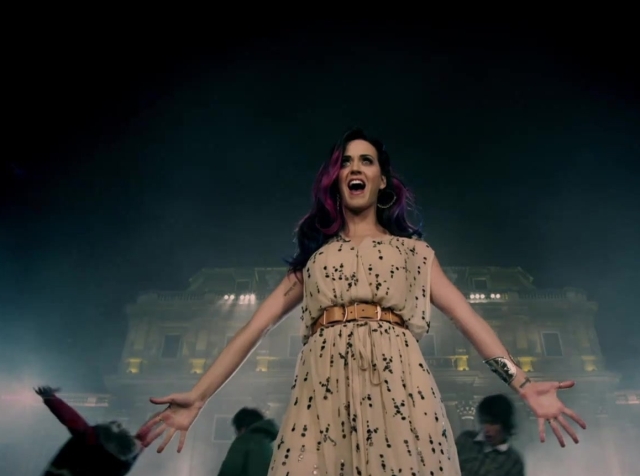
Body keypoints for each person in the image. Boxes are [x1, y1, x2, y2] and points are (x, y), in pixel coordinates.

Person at [142, 128, 586, 475]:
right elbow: (253, 329)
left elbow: (467, 318)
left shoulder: (414, 254)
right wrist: (199, 396)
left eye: (366, 160)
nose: (355, 167)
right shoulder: (313, 260)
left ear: (382, 180)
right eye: (346, 162)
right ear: (335, 180)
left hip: (400, 391)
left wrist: (522, 384)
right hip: (320, 395)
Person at [35, 386, 150, 476]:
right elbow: (142, 440)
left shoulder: (92, 438)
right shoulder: (123, 463)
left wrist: (50, 399)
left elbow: (71, 418)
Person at [456, 394, 525, 476]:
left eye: (493, 423)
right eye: (485, 422)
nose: (487, 429)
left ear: (505, 425)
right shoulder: (466, 440)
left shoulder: (513, 462)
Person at [216, 407, 279, 476]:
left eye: (237, 432)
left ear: (242, 429)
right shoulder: (269, 446)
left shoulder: (244, 441)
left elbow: (229, 470)